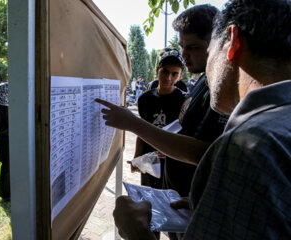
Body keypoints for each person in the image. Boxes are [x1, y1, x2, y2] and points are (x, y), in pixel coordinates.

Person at [112, 0, 291, 239]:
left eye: (206, 51)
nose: (206, 66)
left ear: (232, 42)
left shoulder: (249, 147)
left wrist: (137, 232)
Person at [96, 4, 228, 239]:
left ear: (217, 44)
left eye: (194, 47)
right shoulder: (201, 83)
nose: (185, 55)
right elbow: (190, 133)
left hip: (189, 191)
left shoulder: (218, 89)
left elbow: (204, 151)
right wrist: (166, 149)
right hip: (179, 195)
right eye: (182, 46)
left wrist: (133, 123)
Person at [133, 49, 187, 239]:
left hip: (173, 164)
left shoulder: (184, 101)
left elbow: (187, 135)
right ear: (157, 70)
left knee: (172, 207)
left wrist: (173, 151)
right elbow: (141, 132)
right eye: (165, 72)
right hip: (150, 162)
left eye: (174, 74)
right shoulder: (145, 99)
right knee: (149, 206)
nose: (169, 78)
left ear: (181, 75)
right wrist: (136, 159)